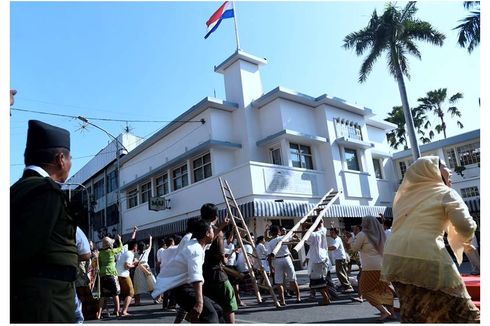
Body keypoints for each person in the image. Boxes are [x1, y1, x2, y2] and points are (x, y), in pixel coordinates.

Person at [381, 157, 479, 323]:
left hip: (393, 260)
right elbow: (465, 226)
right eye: (445, 166)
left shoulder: (403, 199)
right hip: (428, 257)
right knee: (466, 313)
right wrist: (467, 242)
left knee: (414, 313)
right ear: (432, 171)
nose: (450, 171)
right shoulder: (445, 192)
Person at [11, 120, 78, 323]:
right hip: (46, 302)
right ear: (60, 159)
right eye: (70, 158)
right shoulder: (45, 191)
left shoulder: (17, 189)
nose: (70, 163)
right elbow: (22, 247)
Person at [151, 219, 224, 323]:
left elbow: (211, 238)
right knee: (210, 314)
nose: (215, 232)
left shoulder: (197, 243)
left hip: (186, 286)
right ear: (207, 233)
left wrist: (223, 224)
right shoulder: (194, 249)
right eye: (212, 229)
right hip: (182, 289)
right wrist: (199, 303)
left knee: (218, 310)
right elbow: (196, 278)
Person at [351, 216, 395, 321]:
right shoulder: (381, 234)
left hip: (370, 267)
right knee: (384, 290)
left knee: (364, 289)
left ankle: (384, 311)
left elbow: (354, 248)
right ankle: (392, 313)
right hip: (382, 265)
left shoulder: (363, 234)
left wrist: (350, 239)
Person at [201, 203, 238, 323]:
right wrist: (226, 258)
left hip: (203, 275)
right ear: (215, 216)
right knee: (229, 305)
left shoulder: (197, 231)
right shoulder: (217, 234)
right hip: (217, 275)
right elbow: (222, 255)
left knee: (211, 306)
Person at [266, 224, 301, 306]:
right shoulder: (284, 237)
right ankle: (298, 297)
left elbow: (269, 256)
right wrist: (293, 234)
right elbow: (295, 237)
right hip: (286, 258)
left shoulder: (270, 243)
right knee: (293, 279)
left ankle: (283, 301)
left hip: (277, 260)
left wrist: (271, 267)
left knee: (279, 282)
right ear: (278, 231)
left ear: (271, 233)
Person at [97, 235, 124, 319]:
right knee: (115, 293)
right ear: (110, 244)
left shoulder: (100, 253)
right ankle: (117, 311)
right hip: (111, 274)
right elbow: (121, 249)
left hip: (103, 274)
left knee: (103, 295)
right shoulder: (112, 251)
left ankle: (99, 314)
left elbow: (100, 263)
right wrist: (119, 240)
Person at [305, 219, 331, 306]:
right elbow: (322, 224)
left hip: (317, 260)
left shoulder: (313, 234)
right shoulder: (322, 231)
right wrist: (320, 217)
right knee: (322, 280)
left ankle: (326, 298)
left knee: (317, 281)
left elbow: (306, 241)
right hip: (323, 258)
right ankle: (327, 297)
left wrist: (304, 228)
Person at [116, 239, 139, 316]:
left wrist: (133, 263)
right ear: (135, 247)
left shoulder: (125, 253)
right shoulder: (130, 254)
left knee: (122, 293)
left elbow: (125, 264)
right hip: (124, 275)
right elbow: (126, 266)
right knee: (131, 292)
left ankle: (117, 310)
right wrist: (135, 265)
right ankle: (124, 311)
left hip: (119, 274)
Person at [328, 228, 354, 293]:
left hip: (340, 258)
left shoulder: (336, 240)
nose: (330, 234)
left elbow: (334, 247)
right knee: (343, 273)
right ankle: (347, 286)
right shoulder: (336, 239)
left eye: (332, 233)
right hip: (340, 258)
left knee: (340, 273)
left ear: (335, 233)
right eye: (330, 232)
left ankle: (348, 286)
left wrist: (325, 248)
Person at [74, 227, 92, 323]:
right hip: (78, 275)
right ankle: (87, 313)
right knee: (83, 296)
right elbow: (86, 254)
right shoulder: (71, 227)